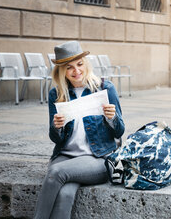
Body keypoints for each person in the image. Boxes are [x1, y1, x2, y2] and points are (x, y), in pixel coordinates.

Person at [34, 41, 125, 219]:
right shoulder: (57, 94)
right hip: (65, 155)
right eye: (69, 67)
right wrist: (56, 127)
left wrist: (111, 117)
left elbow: (119, 132)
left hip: (97, 158)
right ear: (62, 71)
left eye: (80, 64)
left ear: (86, 64)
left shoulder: (105, 88)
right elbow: (56, 139)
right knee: (66, 194)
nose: (76, 71)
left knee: (56, 172)